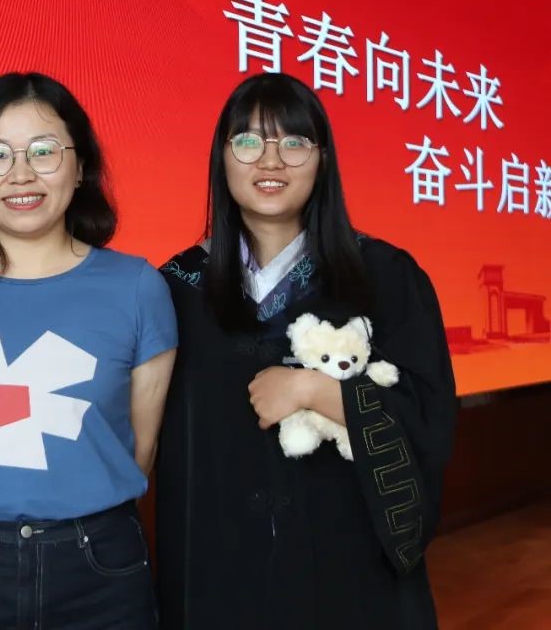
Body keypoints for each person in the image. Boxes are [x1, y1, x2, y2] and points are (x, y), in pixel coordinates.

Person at [155, 72, 456, 629]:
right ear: (222, 158)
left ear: (323, 159)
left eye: (293, 142)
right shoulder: (177, 288)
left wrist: (319, 391)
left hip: (350, 573)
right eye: (248, 141)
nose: (270, 160)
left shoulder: (384, 277)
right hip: (223, 574)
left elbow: (430, 422)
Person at [0, 72, 177, 629]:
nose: (20, 174)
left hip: (99, 566)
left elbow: (141, 448)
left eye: (44, 151)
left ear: (80, 167)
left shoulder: (137, 287)